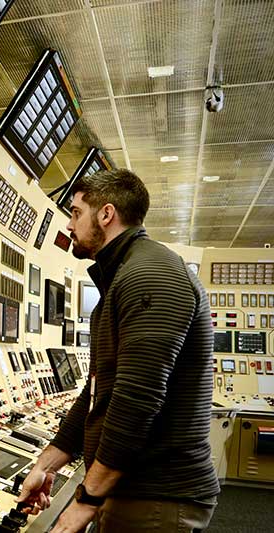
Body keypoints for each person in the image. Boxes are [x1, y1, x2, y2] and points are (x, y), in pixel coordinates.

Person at [17, 169, 219, 532]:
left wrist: (86, 500)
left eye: (76, 212)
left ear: (106, 214)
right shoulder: (125, 277)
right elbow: (98, 394)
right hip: (135, 492)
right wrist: (45, 465)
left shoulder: (149, 274)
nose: (69, 223)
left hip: (156, 497)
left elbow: (136, 400)